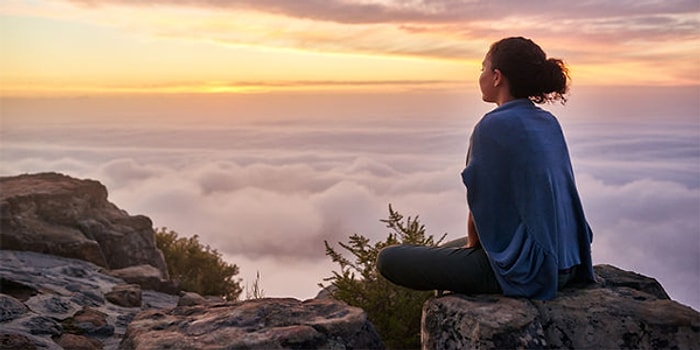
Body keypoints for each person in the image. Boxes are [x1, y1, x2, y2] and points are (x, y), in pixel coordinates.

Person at [376, 37, 595, 300]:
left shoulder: (492, 127)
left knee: (389, 259)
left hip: (533, 272)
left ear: (497, 77)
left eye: (482, 68)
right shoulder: (548, 122)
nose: (480, 75)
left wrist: (474, 252)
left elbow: (481, 209)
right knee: (445, 249)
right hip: (569, 261)